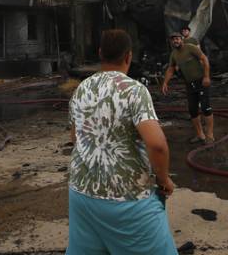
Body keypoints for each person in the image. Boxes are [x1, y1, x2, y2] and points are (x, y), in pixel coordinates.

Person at [67, 29, 177, 254]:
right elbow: (157, 145)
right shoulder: (134, 91)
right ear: (128, 56)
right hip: (126, 199)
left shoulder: (81, 89)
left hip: (81, 194)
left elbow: (75, 137)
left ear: (100, 53)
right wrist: (164, 180)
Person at [162, 32, 214, 144]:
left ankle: (210, 135)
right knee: (193, 110)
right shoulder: (174, 54)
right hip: (189, 84)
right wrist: (165, 83)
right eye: (173, 40)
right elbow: (171, 69)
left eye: (177, 39)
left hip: (202, 82)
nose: (175, 41)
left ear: (181, 39)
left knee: (206, 108)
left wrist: (206, 77)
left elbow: (204, 59)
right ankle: (200, 135)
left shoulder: (191, 48)